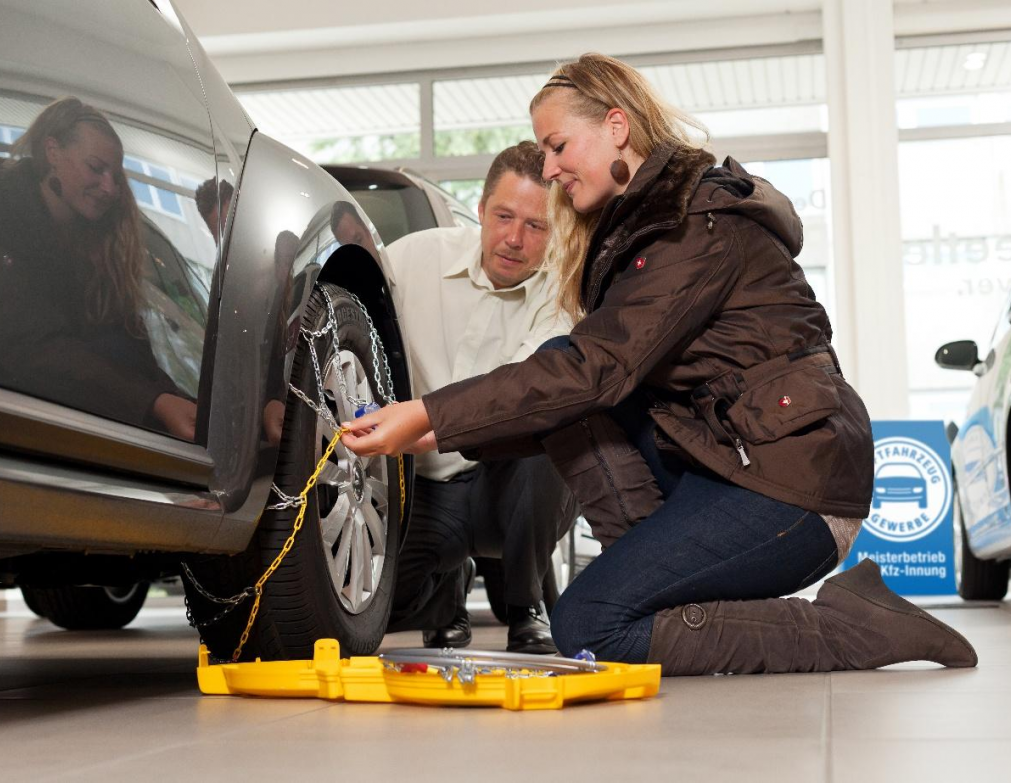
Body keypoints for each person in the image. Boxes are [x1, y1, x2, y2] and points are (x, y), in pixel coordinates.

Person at [342, 54, 977, 675]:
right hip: (730, 463)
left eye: (558, 145)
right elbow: (574, 394)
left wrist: (430, 411)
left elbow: (592, 367)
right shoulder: (642, 229)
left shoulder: (690, 228)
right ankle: (654, 585)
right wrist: (433, 430)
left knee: (590, 626)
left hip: (794, 488)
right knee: (576, 414)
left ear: (615, 126)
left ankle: (851, 625)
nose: (549, 166)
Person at [379, 141, 577, 654]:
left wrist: (431, 428)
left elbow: (524, 393)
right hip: (425, 489)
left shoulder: (561, 295)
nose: (514, 239)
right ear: (482, 208)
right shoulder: (414, 258)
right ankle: (447, 585)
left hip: (506, 479)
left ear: (557, 229)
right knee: (384, 605)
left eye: (536, 226)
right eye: (503, 216)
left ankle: (524, 606)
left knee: (552, 437)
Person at [0, 96, 196, 440]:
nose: (110, 188)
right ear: (53, 152)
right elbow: (33, 350)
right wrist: (154, 402)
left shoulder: (97, 250)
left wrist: (177, 401)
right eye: (96, 168)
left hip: (71, 435)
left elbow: (129, 352)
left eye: (115, 176)